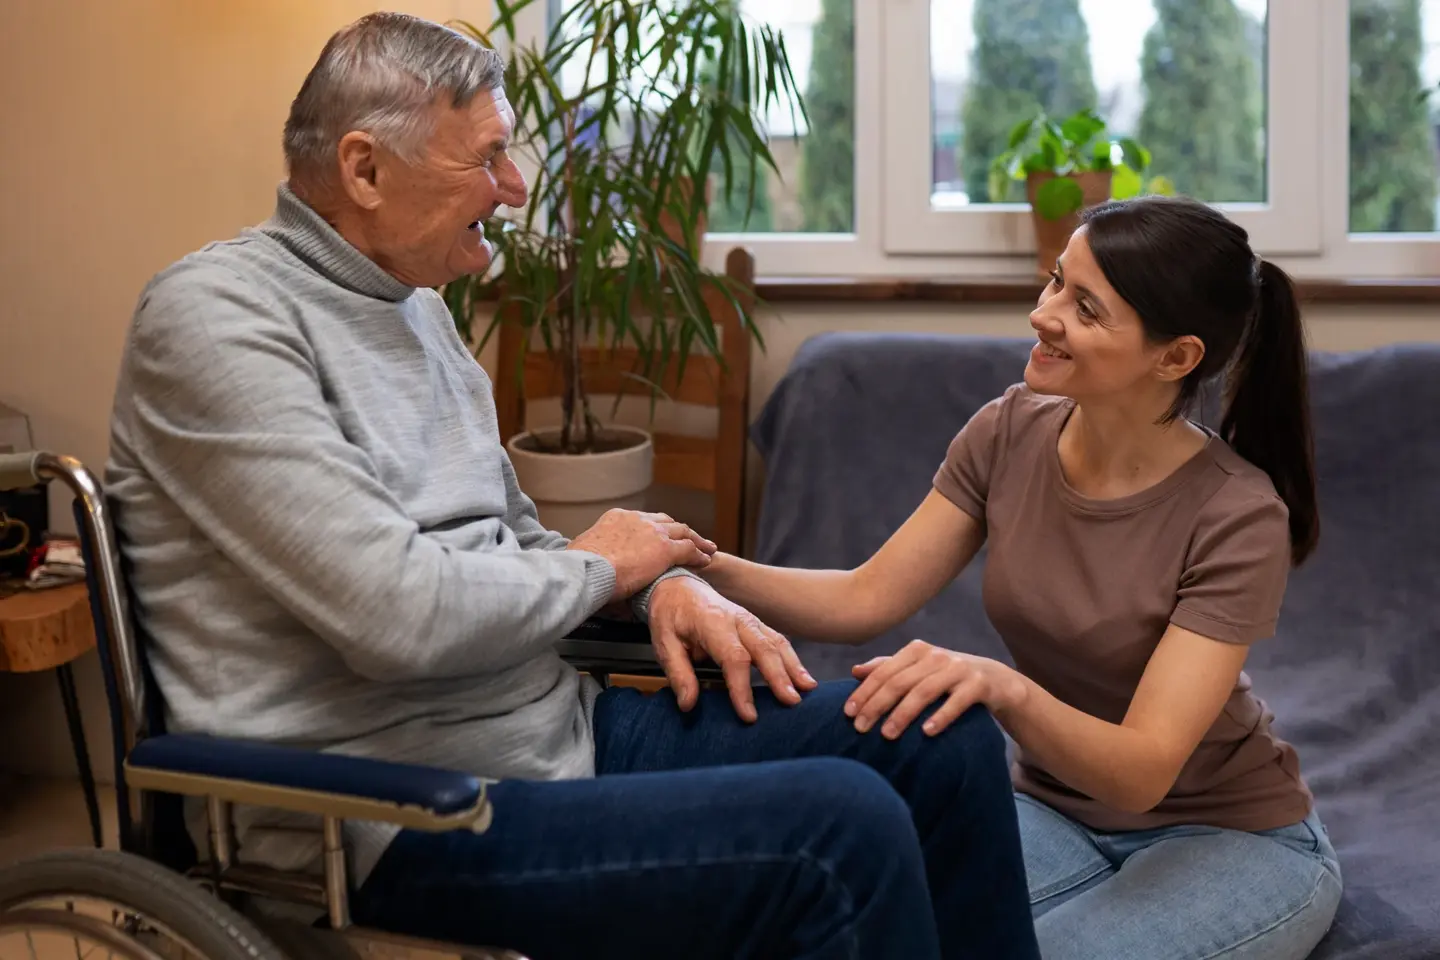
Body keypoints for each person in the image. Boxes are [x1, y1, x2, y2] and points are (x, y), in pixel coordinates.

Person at [105, 12, 1040, 960]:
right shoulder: (215, 321)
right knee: (840, 829)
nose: (513, 190)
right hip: (390, 813)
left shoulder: (417, 313)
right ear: (364, 169)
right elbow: (396, 614)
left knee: (941, 731)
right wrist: (605, 565)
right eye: (488, 158)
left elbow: (517, 546)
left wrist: (662, 584)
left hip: (553, 737)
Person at [699, 196, 1344, 959]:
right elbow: (865, 596)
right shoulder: (1009, 429)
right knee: (856, 928)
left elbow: (1141, 770)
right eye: (1054, 283)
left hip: (1230, 834)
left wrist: (1002, 686)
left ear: (1176, 358)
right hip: (1051, 809)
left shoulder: (1238, 515)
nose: (1045, 314)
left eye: (1086, 307)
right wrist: (695, 563)